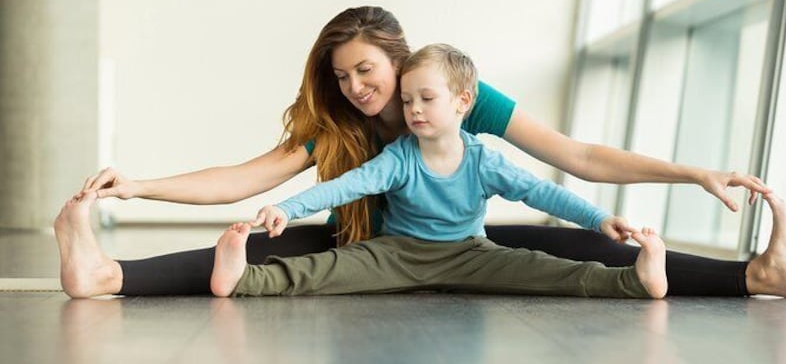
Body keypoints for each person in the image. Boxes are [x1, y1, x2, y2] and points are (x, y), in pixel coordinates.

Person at [54, 6, 786, 298]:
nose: (355, 87)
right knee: (264, 249)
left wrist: (691, 171)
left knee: (581, 241)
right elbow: (247, 179)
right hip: (376, 245)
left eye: (367, 71)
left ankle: (760, 273)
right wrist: (139, 184)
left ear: (401, 61)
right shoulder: (341, 126)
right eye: (342, 75)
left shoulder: (458, 103)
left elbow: (575, 160)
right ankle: (104, 273)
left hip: (463, 241)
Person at [210, 43, 667, 299]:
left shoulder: (483, 160)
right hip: (395, 253)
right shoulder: (400, 157)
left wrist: (598, 220)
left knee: (549, 272)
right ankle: (246, 279)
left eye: (427, 99)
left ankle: (632, 280)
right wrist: (287, 208)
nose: (414, 110)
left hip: (471, 254)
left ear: (462, 102)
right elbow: (346, 186)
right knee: (322, 271)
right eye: (407, 101)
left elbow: (540, 193)